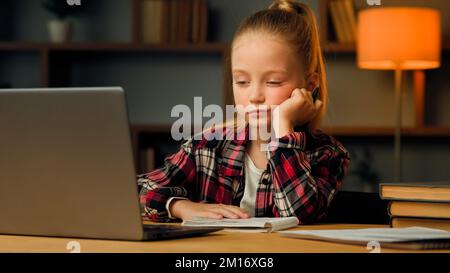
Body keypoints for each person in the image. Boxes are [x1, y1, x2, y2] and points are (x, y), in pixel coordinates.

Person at [137, 0, 351, 224]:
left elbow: (300, 215)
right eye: (242, 81)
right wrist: (180, 206)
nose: (254, 95)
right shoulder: (207, 146)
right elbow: (140, 189)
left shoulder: (328, 154)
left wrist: (284, 127)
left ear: (309, 85)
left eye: (273, 82)